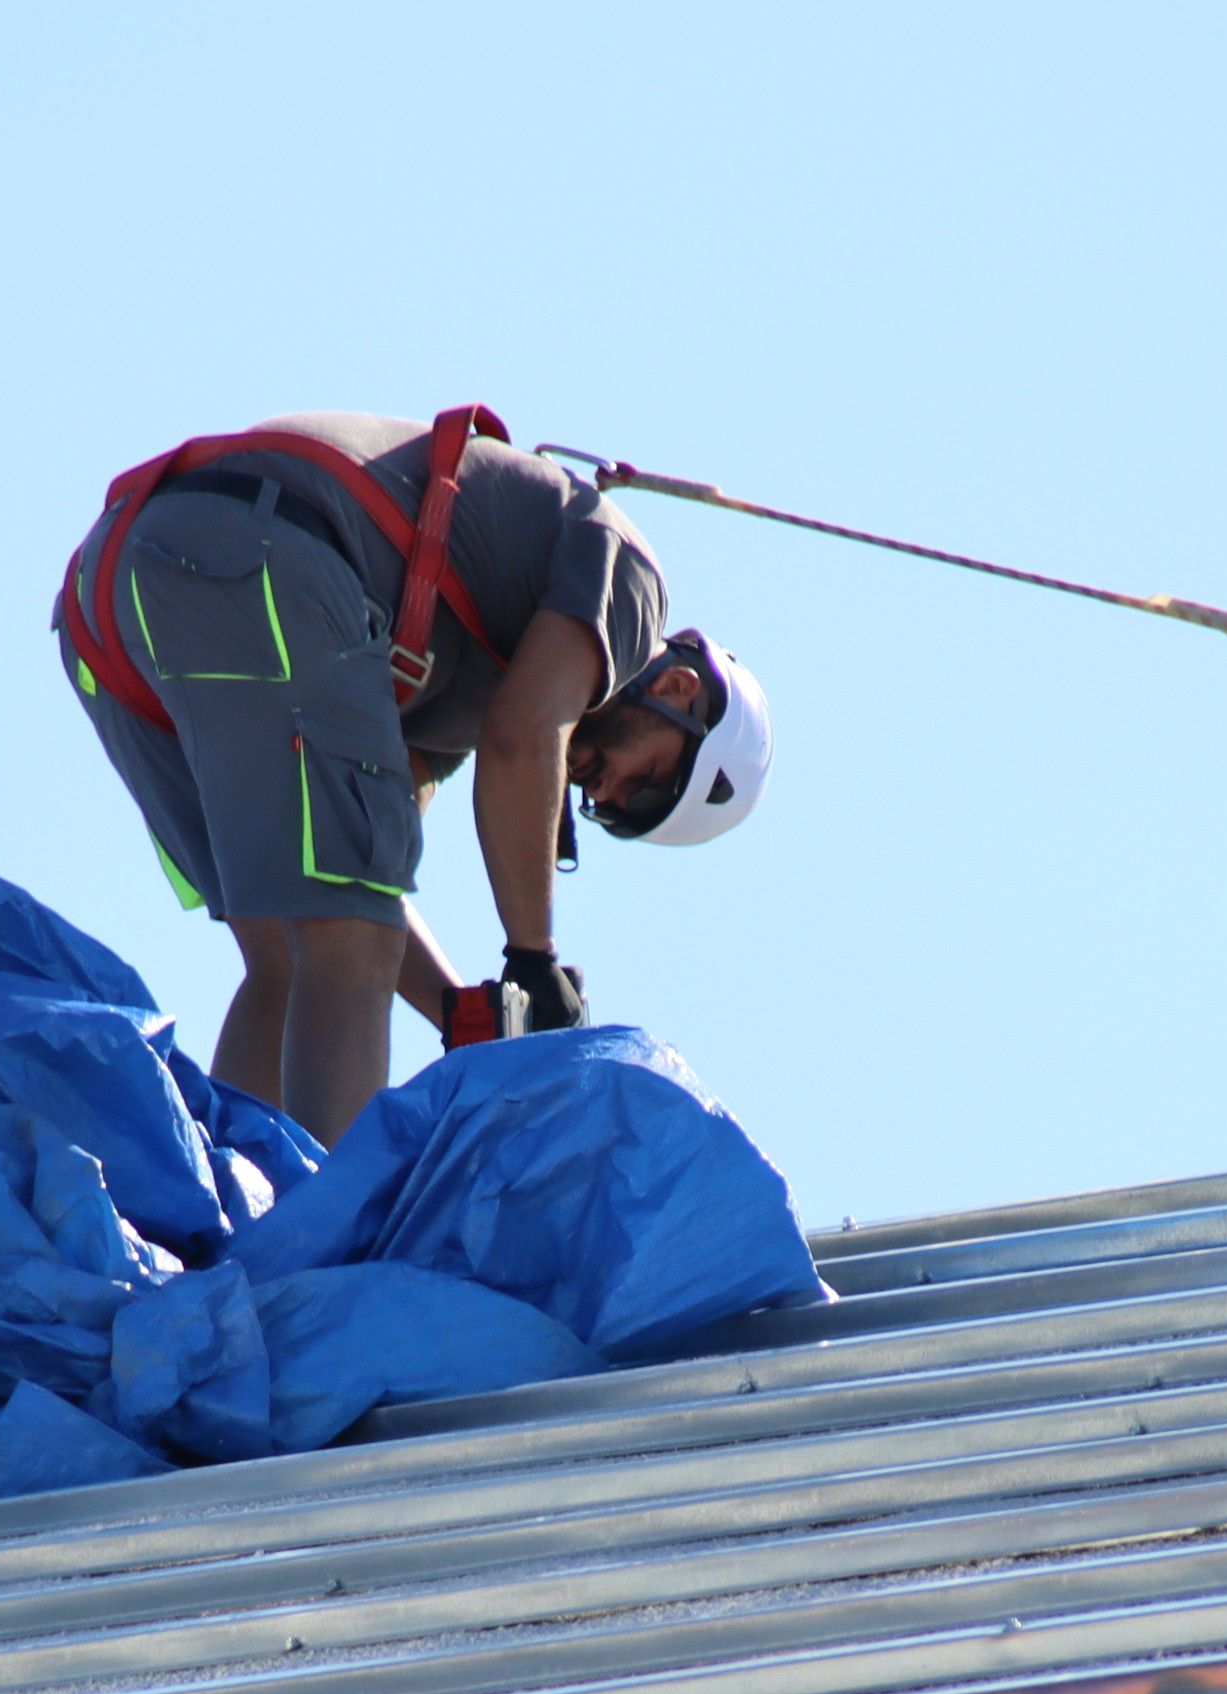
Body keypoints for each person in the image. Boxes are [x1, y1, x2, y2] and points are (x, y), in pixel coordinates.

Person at [58, 406, 773, 1142]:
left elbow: (372, 874)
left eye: (622, 814)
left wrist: (463, 1012)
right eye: (646, 781)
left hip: (113, 607)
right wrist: (534, 959)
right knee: (343, 936)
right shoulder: (627, 582)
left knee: (285, 944)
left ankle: (227, 1223)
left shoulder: (455, 692)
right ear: (680, 692)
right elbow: (524, 739)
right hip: (260, 552)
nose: (605, 794)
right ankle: (317, 1244)